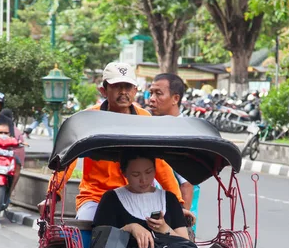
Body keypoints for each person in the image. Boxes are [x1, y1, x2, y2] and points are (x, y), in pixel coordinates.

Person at [40, 62, 186, 220]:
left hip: (136, 195)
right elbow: (67, 160)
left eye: (128, 87)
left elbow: (161, 165)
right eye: (117, 86)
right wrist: (53, 195)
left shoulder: (145, 119)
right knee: (89, 232)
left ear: (135, 90)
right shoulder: (87, 119)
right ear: (103, 90)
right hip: (96, 198)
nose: (123, 92)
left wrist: (178, 203)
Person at [149, 73, 200, 220]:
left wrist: (181, 225)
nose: (152, 99)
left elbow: (187, 185)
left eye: (158, 94)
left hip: (175, 217)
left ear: (175, 98)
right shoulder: (155, 127)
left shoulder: (182, 133)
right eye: (151, 93)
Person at [0, 90, 24, 192]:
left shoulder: (7, 121)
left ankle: (9, 191)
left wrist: (17, 142)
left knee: (17, 163)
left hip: (4, 153)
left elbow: (12, 137)